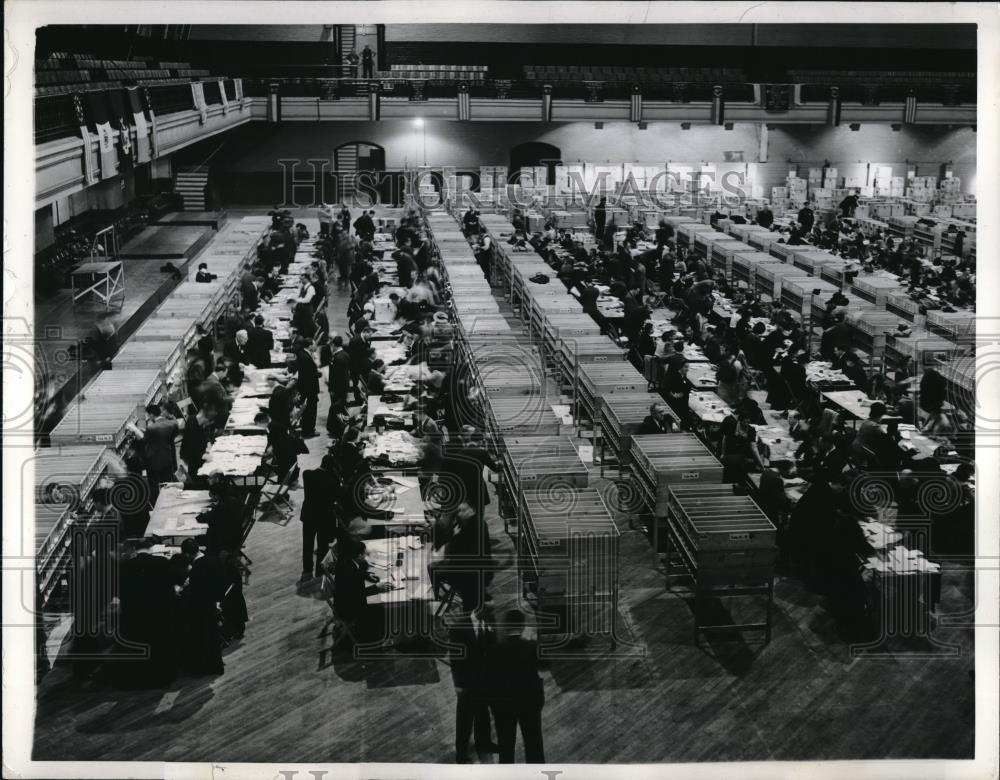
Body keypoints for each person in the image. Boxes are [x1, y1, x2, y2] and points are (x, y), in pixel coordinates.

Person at [486, 608, 545, 764]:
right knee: (534, 746)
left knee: (506, 749)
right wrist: (532, 640)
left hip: (503, 705)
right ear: (523, 626)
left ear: (505, 627)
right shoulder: (532, 647)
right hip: (530, 702)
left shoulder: (494, 650)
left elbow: (489, 678)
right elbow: (546, 665)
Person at [450, 606, 497, 763]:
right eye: (490, 607)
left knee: (483, 714)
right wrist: (458, 684)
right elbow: (455, 660)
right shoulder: (458, 628)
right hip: (467, 681)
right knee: (464, 719)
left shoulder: (489, 621)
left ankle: (484, 743)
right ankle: (461, 753)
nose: (493, 611)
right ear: (478, 609)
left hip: (485, 680)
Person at [130, 403, 185, 506]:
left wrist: (136, 430)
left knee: (154, 485)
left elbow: (143, 441)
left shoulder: (152, 428)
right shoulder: (172, 424)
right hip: (168, 458)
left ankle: (157, 505)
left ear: (151, 415)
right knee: (168, 482)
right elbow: (170, 436)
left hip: (153, 462)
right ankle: (171, 502)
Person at [300, 455, 341, 579]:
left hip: (308, 516)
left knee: (307, 544)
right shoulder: (332, 482)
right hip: (325, 518)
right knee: (322, 546)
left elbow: (312, 473)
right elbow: (337, 496)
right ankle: (320, 571)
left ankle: (307, 569)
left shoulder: (307, 475)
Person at [327, 335, 352, 409]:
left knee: (336, 407)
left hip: (337, 389)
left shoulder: (337, 358)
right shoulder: (345, 354)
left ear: (334, 345)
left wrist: (331, 389)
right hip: (344, 386)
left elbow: (335, 376)